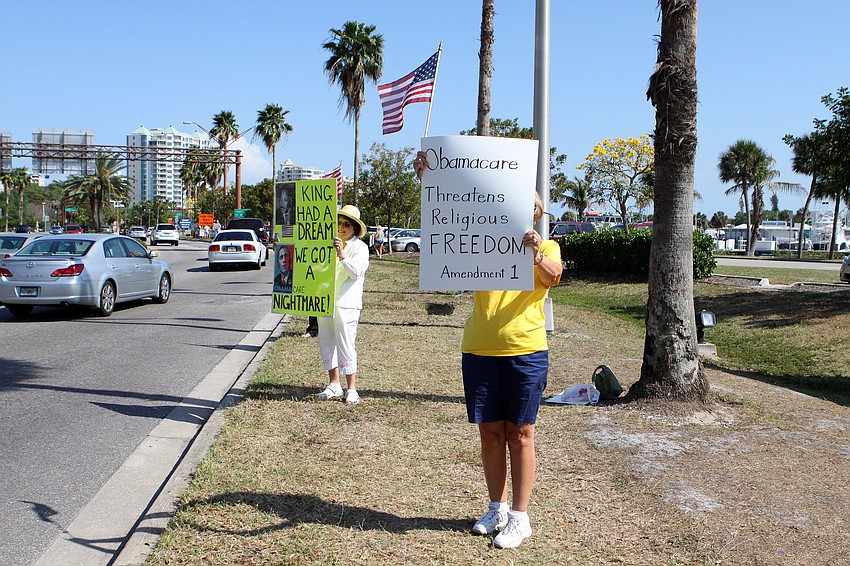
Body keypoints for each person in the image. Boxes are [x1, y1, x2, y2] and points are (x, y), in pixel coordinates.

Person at [414, 151, 563, 549]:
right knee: (490, 433)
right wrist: (429, 179)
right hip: (478, 347)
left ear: (536, 213)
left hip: (525, 349)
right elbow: (448, 216)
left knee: (522, 433)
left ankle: (520, 517)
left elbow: (555, 277)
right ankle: (495, 507)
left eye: (531, 209)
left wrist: (533, 251)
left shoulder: (546, 247)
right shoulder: (481, 240)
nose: (524, 214)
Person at [316, 205, 370, 404]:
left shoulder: (360, 247)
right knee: (327, 342)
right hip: (325, 300)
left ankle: (352, 388)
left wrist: (342, 255)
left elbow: (356, 272)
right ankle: (334, 384)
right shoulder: (327, 243)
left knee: (347, 344)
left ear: (354, 228)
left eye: (346, 224)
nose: (342, 227)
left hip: (347, 303)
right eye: (338, 223)